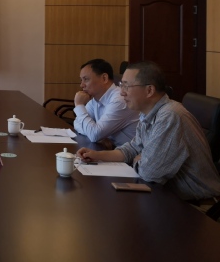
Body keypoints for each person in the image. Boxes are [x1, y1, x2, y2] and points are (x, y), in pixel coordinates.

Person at [78, 61, 220, 205]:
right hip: (168, 195)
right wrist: (97, 155)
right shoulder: (147, 113)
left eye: (127, 86)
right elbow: (133, 148)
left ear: (149, 90)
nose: (122, 92)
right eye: (121, 85)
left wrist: (140, 158)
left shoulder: (170, 116)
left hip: (198, 205)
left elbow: (150, 173)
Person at [72, 58, 138, 148]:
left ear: (104, 78)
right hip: (111, 151)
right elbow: (77, 123)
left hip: (131, 155)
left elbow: (94, 135)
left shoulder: (120, 100)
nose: (82, 85)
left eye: (86, 79)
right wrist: (98, 136)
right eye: (81, 80)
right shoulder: (95, 99)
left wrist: (79, 105)